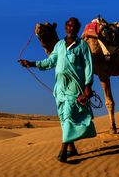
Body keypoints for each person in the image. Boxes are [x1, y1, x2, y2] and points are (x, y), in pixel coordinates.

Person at [19, 17, 96, 163]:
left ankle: (63, 152)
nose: (70, 28)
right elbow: (50, 62)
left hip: (74, 88)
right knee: (63, 118)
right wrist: (31, 63)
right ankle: (72, 148)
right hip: (59, 89)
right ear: (65, 27)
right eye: (68, 25)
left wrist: (88, 86)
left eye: (74, 26)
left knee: (68, 116)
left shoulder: (82, 46)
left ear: (78, 28)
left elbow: (88, 66)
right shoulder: (59, 45)